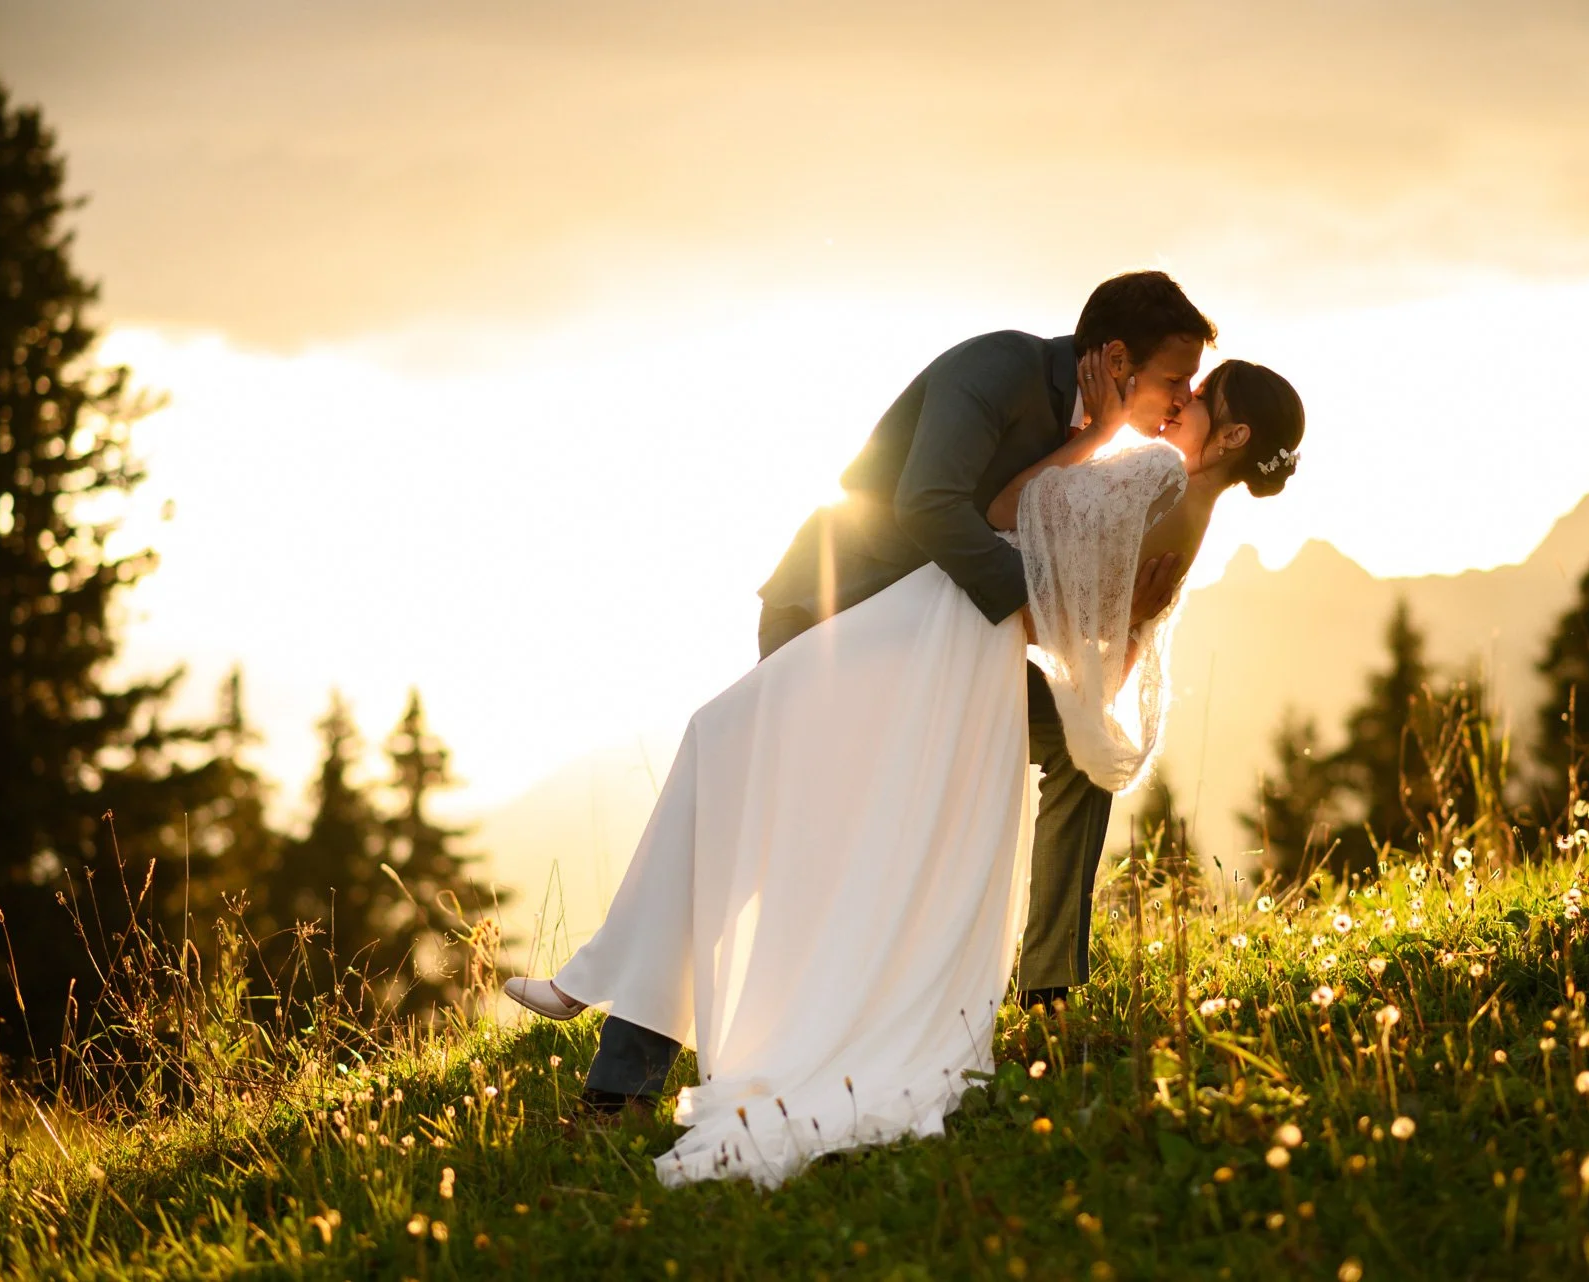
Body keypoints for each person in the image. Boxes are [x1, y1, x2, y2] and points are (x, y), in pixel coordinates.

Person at [506, 274, 1305, 1185]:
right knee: (750, 802)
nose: (1180, 399)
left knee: (1029, 772)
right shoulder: (999, 371)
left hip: (952, 643)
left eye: (1198, 392)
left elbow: (1057, 565)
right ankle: (624, 1078)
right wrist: (1040, 614)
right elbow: (933, 507)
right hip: (838, 610)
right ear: (1117, 362)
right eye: (1177, 380)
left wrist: (1052, 611)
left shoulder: (1129, 453)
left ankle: (1042, 988)